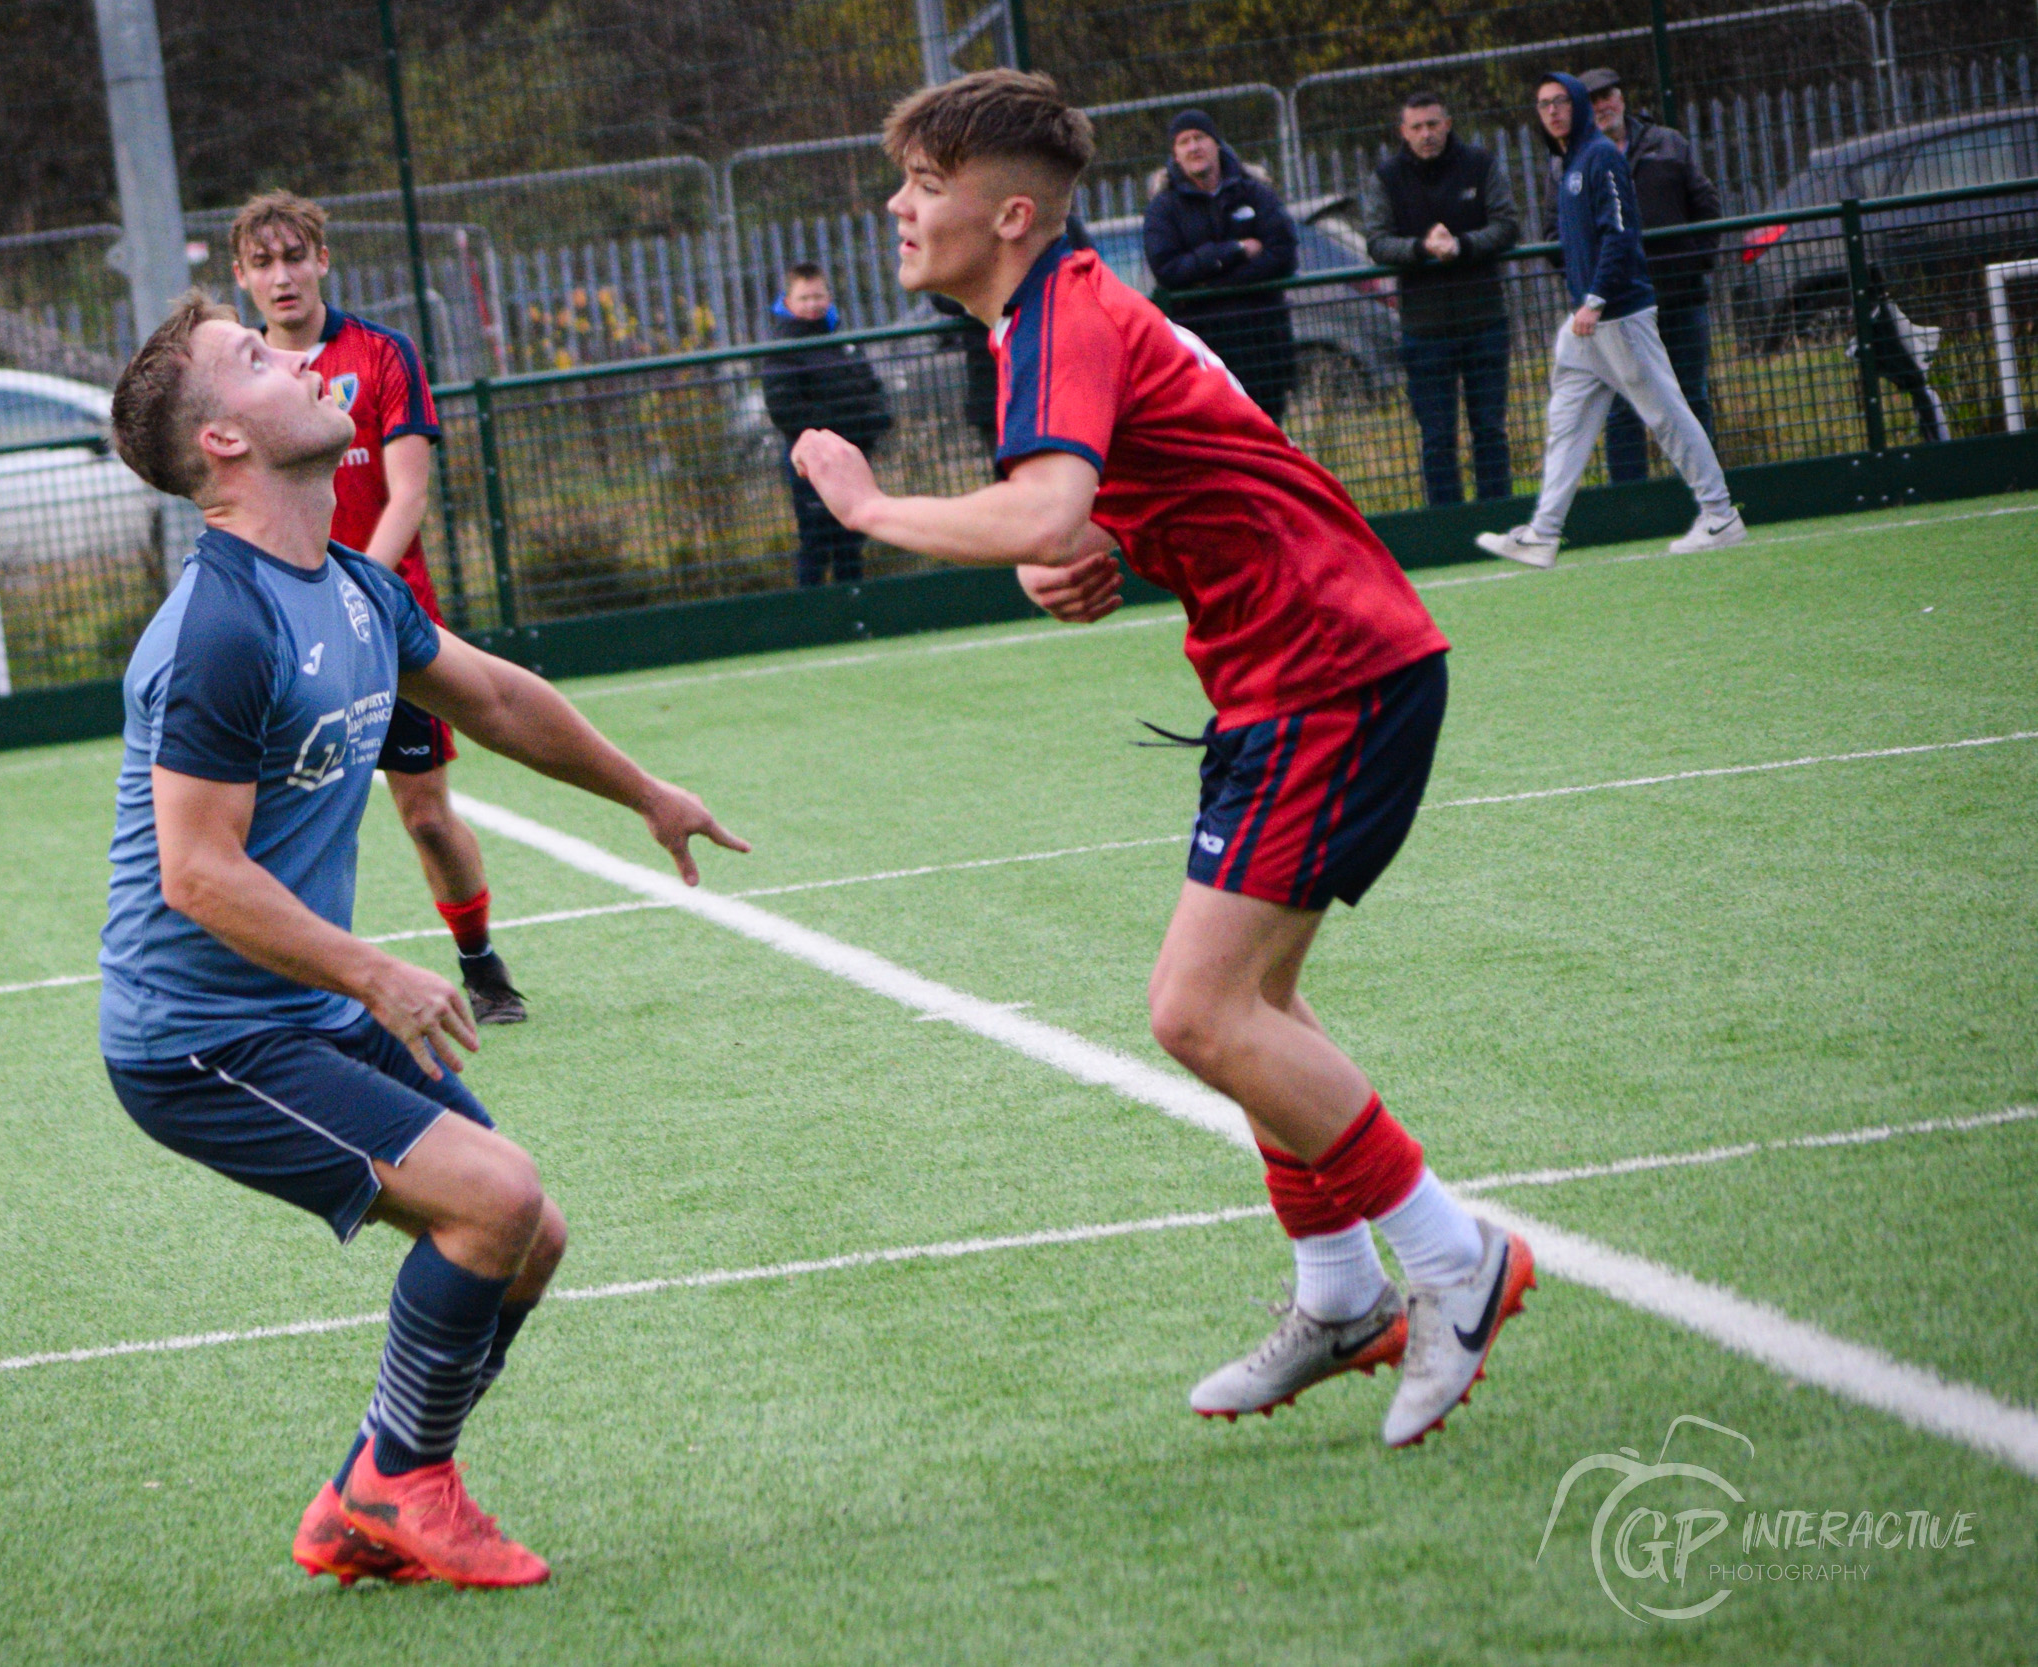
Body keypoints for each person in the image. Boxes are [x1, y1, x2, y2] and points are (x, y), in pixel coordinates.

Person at [793, 68, 1534, 1449]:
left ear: (1010, 215)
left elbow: (1052, 502)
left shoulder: (1061, 315)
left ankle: (1457, 1258)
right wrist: (1086, 547)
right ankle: (1340, 1293)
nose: (896, 207)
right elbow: (1142, 485)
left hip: (1328, 669)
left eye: (924, 185)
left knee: (1199, 1013)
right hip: (1290, 674)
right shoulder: (1058, 311)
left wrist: (873, 507)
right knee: (1257, 1006)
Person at [98, 293, 745, 1588]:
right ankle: (402, 1484)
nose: (300, 358)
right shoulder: (218, 627)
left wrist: (645, 793)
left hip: (300, 1006)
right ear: (223, 441)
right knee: (491, 1197)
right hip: (199, 1041)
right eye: (257, 357)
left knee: (528, 1229)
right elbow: (197, 873)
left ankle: (371, 1487)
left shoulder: (348, 584)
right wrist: (375, 967)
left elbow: (493, 695)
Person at [230, 191, 527, 1024]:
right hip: (289, 634)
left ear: (323, 260)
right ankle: (294, 990)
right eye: (263, 263)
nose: (282, 276)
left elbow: (408, 496)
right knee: (287, 821)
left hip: (387, 625)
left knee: (424, 815)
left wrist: (352, 593)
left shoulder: (384, 353)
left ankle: (482, 964)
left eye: (295, 257)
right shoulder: (238, 376)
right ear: (242, 277)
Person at [1477, 75, 1746, 567]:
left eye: (1561, 102)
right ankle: (1543, 532)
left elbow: (1621, 234)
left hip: (1618, 315)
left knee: (1667, 414)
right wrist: (1586, 303)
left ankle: (1720, 515)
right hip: (1587, 326)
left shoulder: (1601, 157)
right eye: (1543, 104)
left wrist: (1597, 298)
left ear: (1577, 105)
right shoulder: (1567, 162)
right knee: (1566, 423)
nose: (1552, 111)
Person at [1363, 91, 1521, 505]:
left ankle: (1500, 517)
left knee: (1490, 431)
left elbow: (1507, 224)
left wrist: (1461, 245)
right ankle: (1447, 525)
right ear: (1403, 132)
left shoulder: (1481, 164)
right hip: (1423, 329)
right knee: (1436, 438)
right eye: (1416, 127)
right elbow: (1377, 242)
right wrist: (1423, 249)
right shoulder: (1386, 178)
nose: (1426, 134)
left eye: (1433, 124)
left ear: (1448, 124)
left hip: (1485, 321)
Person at [1579, 67, 1724, 482]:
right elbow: (1559, 233)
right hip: (1617, 309)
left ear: (1621, 98)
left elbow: (1707, 205)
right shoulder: (1573, 162)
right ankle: (1631, 502)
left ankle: (1704, 492)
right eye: (1591, 101)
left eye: (1607, 95)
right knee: (1623, 408)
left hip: (1679, 297)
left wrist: (1696, 261)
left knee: (1691, 396)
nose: (1602, 106)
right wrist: (1592, 287)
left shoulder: (1668, 143)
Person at [1143, 108, 1300, 425]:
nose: (1193, 147)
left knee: (1269, 433)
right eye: (1184, 141)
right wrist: (1234, 250)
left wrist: (1211, 283)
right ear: (1175, 154)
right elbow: (1168, 269)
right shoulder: (1163, 207)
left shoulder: (1254, 190)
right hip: (1204, 353)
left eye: (1200, 137)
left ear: (1216, 143)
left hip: (1264, 346)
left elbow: (1284, 253)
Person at [760, 262, 891, 585]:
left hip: (853, 456)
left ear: (829, 297)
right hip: (812, 462)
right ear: (788, 302)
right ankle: (812, 606)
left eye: (818, 296)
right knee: (816, 539)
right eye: (804, 298)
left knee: (852, 538)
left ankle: (854, 606)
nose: (813, 304)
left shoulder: (842, 340)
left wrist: (874, 421)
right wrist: (840, 427)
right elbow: (785, 409)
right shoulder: (782, 349)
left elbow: (870, 385)